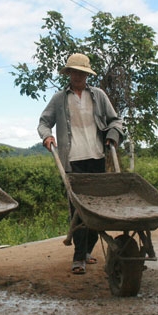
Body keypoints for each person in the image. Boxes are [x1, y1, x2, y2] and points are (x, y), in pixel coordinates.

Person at [37, 53, 123, 275]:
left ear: (87, 74)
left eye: (81, 72)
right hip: (72, 160)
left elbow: (115, 120)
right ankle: (78, 257)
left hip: (96, 158)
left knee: (96, 208)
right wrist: (47, 136)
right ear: (69, 73)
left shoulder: (98, 96)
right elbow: (44, 122)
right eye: (74, 71)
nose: (78, 75)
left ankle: (87, 250)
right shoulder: (59, 99)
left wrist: (113, 134)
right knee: (78, 210)